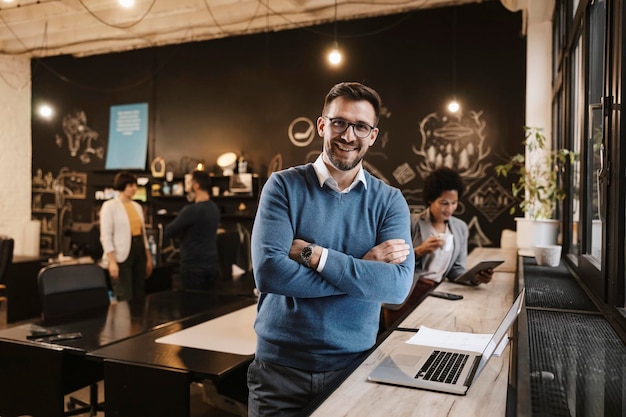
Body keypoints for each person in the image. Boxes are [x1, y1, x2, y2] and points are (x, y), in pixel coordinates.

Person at [247, 81, 415, 416]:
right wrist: (361, 270)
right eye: (339, 122)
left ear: (373, 135)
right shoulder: (282, 186)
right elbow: (269, 274)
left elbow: (395, 288)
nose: (348, 135)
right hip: (279, 373)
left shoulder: (390, 201)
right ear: (322, 125)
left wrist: (316, 256)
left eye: (360, 126)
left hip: (353, 369)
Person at [382, 167, 494, 328]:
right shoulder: (411, 222)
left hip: (436, 295)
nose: (449, 208)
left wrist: (476, 277)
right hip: (406, 294)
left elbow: (456, 271)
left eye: (454, 203)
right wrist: (420, 251)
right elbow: (390, 262)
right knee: (395, 342)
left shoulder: (460, 228)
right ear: (430, 200)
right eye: (444, 203)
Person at [99, 171, 152, 302]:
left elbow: (143, 233)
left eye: (135, 185)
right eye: (130, 185)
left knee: (139, 293)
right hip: (121, 255)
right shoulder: (110, 206)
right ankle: (124, 322)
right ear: (122, 186)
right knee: (125, 295)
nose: (134, 188)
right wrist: (112, 261)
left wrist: (148, 257)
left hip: (139, 251)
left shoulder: (137, 206)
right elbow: (106, 236)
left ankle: (138, 322)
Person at [163, 170, 221, 289]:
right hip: (211, 263)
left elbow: (168, 231)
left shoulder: (192, 210)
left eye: (190, 184)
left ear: (196, 186)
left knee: (191, 305)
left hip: (193, 266)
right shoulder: (214, 208)